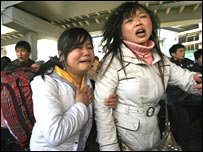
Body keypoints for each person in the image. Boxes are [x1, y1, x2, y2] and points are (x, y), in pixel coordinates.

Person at [93, 1, 202, 151]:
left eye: (143, 17)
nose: (138, 22)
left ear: (151, 24)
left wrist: (197, 82)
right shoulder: (113, 61)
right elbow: (102, 107)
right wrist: (109, 147)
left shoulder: (160, 58)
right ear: (120, 31)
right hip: (126, 137)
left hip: (154, 130)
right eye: (130, 20)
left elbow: (187, 79)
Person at [29, 27, 117, 151]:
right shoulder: (45, 83)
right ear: (62, 55)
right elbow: (54, 135)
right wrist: (81, 105)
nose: (86, 52)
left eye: (89, 47)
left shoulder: (88, 82)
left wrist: (110, 103)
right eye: (78, 47)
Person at [167, 44, 202, 150]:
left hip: (192, 97)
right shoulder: (169, 66)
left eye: (184, 51)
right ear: (173, 54)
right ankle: (182, 146)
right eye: (181, 51)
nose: (184, 53)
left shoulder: (188, 62)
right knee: (183, 123)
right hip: (176, 100)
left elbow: (198, 73)